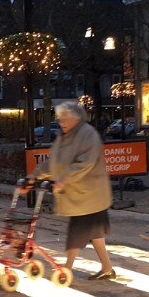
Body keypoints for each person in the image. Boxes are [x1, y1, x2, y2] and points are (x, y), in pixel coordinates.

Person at [23, 100, 116, 280]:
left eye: (65, 119)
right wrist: (33, 176)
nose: (61, 122)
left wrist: (64, 179)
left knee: (77, 232)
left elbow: (85, 163)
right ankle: (107, 268)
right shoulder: (64, 136)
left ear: (76, 119)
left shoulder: (88, 134)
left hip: (90, 194)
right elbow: (53, 163)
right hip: (79, 194)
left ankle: (65, 271)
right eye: (59, 119)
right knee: (94, 232)